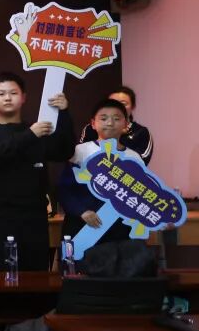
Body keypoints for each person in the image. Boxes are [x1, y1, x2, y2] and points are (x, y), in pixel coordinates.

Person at [0, 71, 74, 272]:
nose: (8, 98)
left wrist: (64, 114)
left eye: (13, 93)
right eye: (1, 94)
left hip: (32, 218)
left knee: (33, 277)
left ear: (24, 97)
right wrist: (29, 135)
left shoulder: (38, 130)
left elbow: (64, 151)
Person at [59, 97, 141, 245]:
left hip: (120, 231)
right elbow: (64, 189)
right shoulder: (79, 152)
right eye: (103, 118)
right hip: (82, 226)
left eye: (116, 118)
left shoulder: (134, 157)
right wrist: (81, 211)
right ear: (93, 123)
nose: (110, 123)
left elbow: (141, 194)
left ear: (126, 124)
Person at [77, 85, 153, 163]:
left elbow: (140, 164)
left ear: (132, 106)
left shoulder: (141, 132)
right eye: (112, 103)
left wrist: (118, 135)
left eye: (123, 103)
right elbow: (81, 156)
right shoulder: (91, 128)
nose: (117, 107)